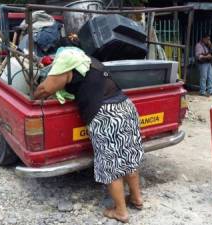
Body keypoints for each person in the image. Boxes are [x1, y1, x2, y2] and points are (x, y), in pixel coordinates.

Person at [33, 47, 144, 223]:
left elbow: (45, 89)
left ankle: (121, 212)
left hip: (107, 114)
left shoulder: (65, 63)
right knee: (129, 157)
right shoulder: (89, 61)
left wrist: (34, 94)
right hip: (125, 106)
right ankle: (137, 199)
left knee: (111, 164)